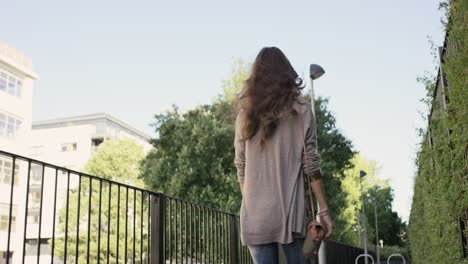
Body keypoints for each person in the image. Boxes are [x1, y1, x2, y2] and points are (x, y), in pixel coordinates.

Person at [234, 47, 334, 264]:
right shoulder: (301, 111)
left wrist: (253, 203)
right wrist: (323, 210)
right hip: (291, 214)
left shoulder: (245, 116)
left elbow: (240, 167)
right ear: (287, 73)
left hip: (256, 215)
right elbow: (311, 165)